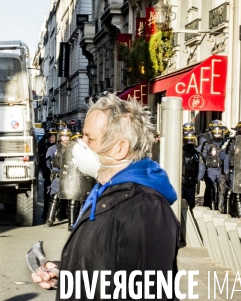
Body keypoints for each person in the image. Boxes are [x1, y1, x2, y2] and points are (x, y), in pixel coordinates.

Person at [31, 95, 179, 296]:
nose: (80, 144)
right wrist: (64, 273)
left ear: (120, 148)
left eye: (90, 138)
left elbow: (148, 291)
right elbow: (106, 265)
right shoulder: (105, 190)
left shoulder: (146, 207)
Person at [44, 127, 71, 227]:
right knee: (55, 197)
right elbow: (47, 162)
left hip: (70, 177)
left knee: (72, 198)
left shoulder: (73, 147)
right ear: (60, 137)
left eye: (67, 136)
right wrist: (52, 171)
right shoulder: (53, 148)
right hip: (58, 176)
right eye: (64, 136)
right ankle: (50, 219)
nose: (66, 138)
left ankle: (71, 222)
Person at [198, 125, 229, 211]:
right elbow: (201, 155)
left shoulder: (224, 143)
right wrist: (202, 172)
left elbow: (226, 157)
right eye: (215, 133)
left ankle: (220, 207)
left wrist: (226, 171)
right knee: (209, 188)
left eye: (219, 133)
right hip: (210, 169)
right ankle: (207, 206)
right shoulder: (207, 144)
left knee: (221, 189)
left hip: (220, 170)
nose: (217, 135)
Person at [182, 131, 199, 210]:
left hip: (191, 181)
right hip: (182, 181)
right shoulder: (180, 153)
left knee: (191, 202)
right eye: (188, 140)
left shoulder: (196, 154)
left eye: (191, 140)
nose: (190, 143)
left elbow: (200, 168)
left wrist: (196, 179)